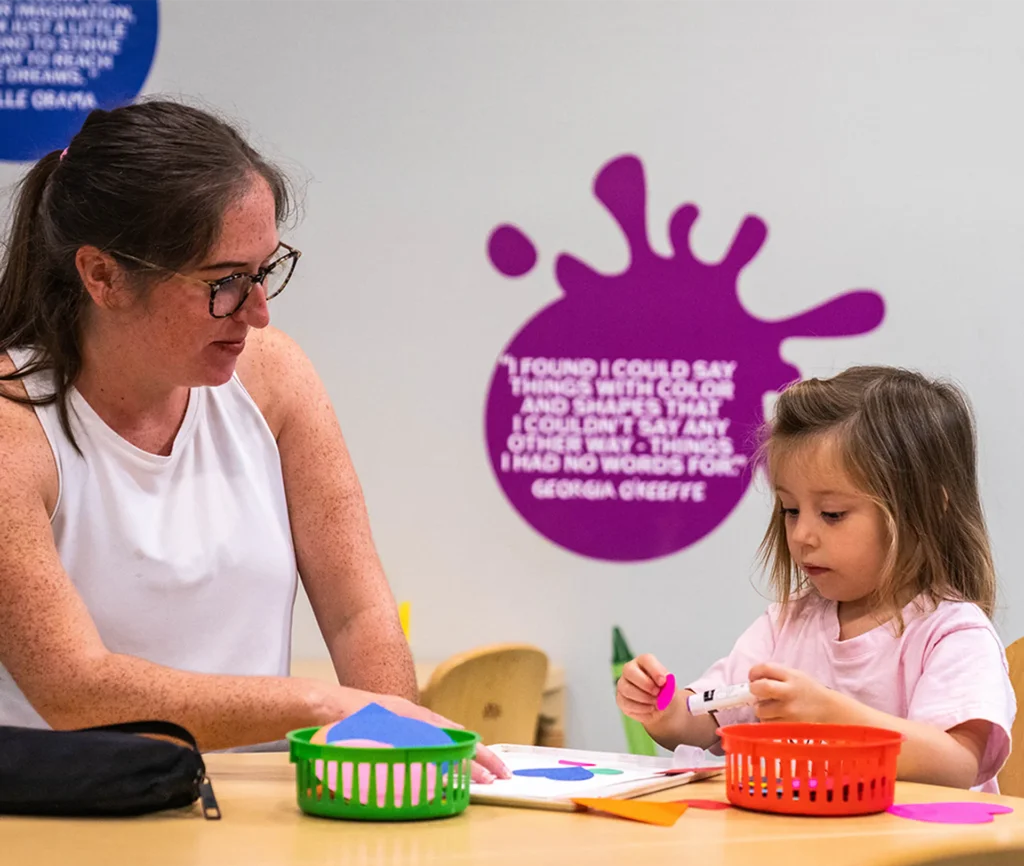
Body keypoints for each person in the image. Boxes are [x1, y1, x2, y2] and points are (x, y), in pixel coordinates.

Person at [0, 99, 507, 780]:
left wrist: (400, 754)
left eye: (265, 271)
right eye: (226, 282)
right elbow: (76, 690)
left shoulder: (273, 376)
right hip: (68, 825)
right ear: (103, 276)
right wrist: (322, 705)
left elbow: (358, 610)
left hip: (249, 820)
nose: (259, 312)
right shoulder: (14, 422)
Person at [617, 366, 1016, 791]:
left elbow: (957, 764)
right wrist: (662, 709)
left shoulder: (952, 635)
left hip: (918, 854)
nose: (802, 535)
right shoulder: (786, 625)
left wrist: (832, 716)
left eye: (832, 514)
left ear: (925, 511)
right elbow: (706, 719)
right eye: (790, 510)